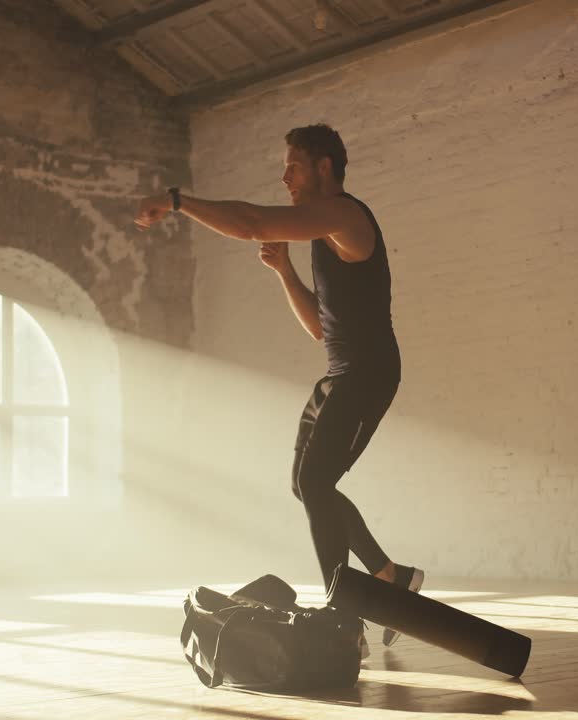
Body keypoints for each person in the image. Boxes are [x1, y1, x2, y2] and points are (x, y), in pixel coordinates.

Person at [134, 124, 422, 646]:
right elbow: (321, 328)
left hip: (369, 373)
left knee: (315, 484)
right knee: (306, 485)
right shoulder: (322, 234)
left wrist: (177, 200)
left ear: (324, 168)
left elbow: (250, 222)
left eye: (293, 165)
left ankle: (345, 615)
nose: (284, 175)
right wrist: (285, 272)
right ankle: (390, 578)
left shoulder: (344, 215)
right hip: (340, 373)